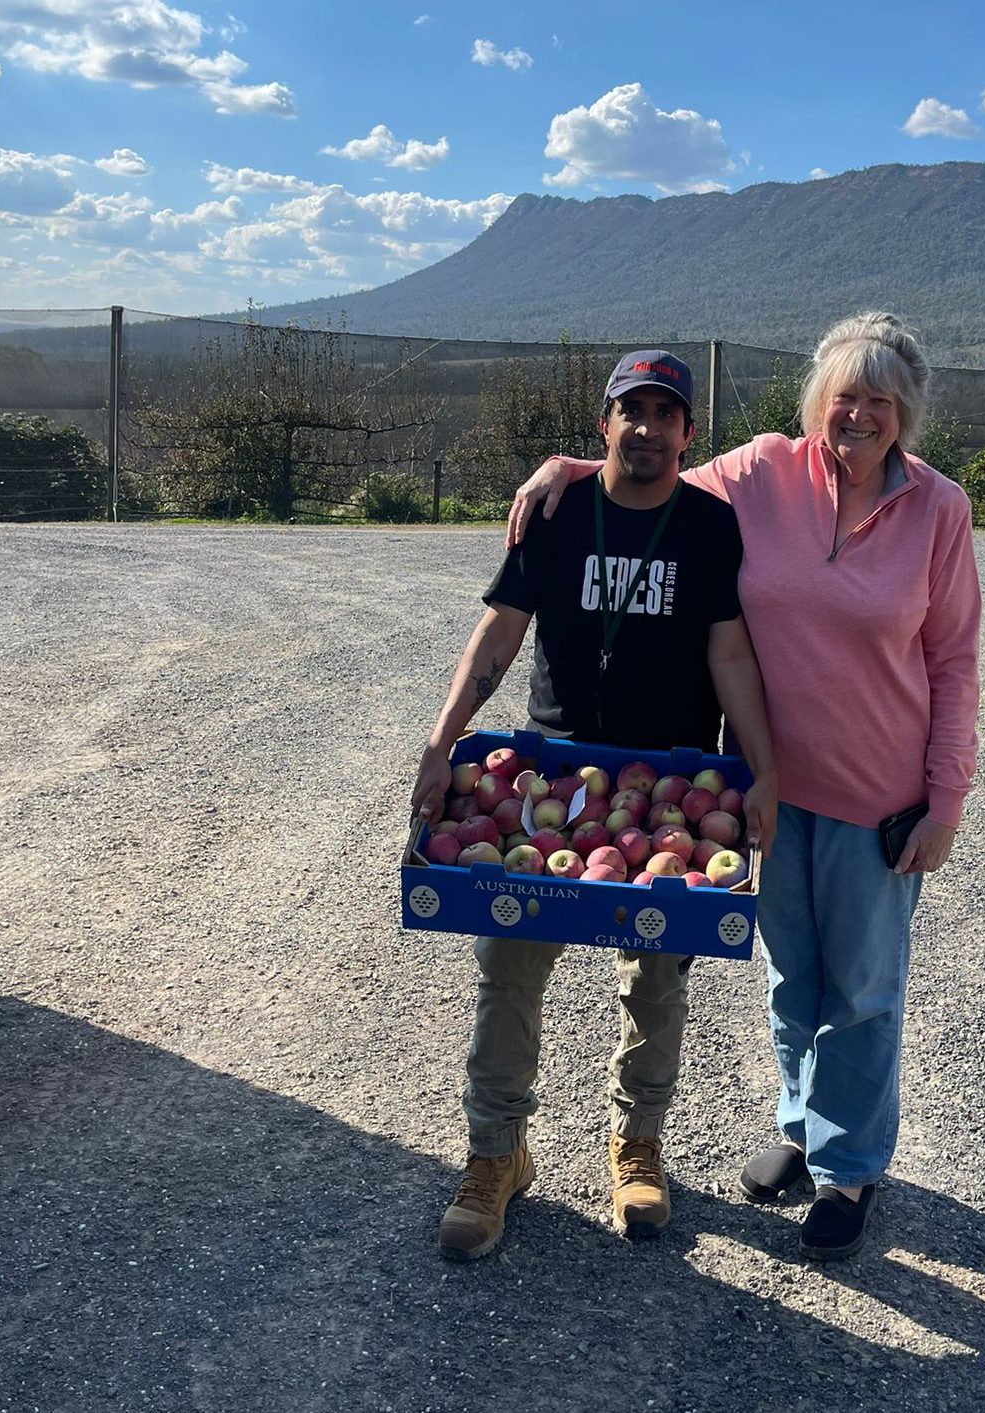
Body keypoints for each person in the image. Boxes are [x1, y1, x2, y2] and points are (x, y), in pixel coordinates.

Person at [508, 312, 980, 1261]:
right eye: (844, 396)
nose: (859, 416)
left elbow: (955, 655)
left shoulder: (939, 509)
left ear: (905, 414)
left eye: (880, 401)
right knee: (790, 975)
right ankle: (803, 1129)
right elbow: (649, 475)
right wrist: (562, 465)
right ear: (818, 402)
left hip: (879, 792)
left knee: (863, 987)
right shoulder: (765, 471)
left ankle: (851, 1168)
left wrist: (946, 795)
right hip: (763, 786)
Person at [411, 349, 777, 1261]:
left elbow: (731, 656)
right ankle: (497, 1153)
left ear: (689, 434)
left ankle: (637, 1143)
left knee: (656, 977)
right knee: (509, 967)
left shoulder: (711, 528)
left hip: (675, 789)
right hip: (559, 776)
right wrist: (440, 740)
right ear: (602, 425)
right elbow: (501, 627)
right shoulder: (558, 510)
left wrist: (761, 769)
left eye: (666, 413)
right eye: (631, 410)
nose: (647, 427)